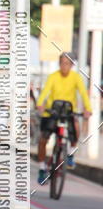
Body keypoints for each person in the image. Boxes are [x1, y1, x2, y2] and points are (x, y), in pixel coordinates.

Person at [36, 52, 92, 184]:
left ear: (72, 65)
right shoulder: (53, 76)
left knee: (76, 127)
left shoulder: (76, 77)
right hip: (52, 112)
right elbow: (45, 91)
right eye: (62, 63)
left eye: (67, 63)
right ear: (59, 64)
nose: (64, 66)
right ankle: (42, 169)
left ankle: (70, 154)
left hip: (68, 112)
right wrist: (40, 104)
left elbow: (83, 93)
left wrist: (88, 109)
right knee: (43, 140)